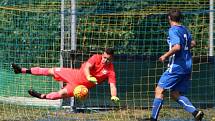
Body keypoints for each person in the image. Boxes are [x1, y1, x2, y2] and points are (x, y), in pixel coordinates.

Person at [149, 8, 204, 121]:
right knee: (175, 94)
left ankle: (153, 119)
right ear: (180, 18)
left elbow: (177, 47)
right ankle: (195, 112)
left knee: (159, 90)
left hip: (176, 66)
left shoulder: (173, 30)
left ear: (169, 18)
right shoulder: (184, 29)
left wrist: (165, 56)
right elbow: (193, 43)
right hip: (187, 66)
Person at [11, 48, 120, 103]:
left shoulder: (111, 71)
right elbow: (87, 67)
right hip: (73, 74)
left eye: (108, 59)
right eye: (104, 57)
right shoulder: (96, 57)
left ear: (112, 59)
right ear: (103, 55)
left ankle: (41, 96)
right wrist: (88, 76)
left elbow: (112, 85)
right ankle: (21, 70)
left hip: (79, 87)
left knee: (60, 94)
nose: (105, 60)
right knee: (51, 71)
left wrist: (113, 95)